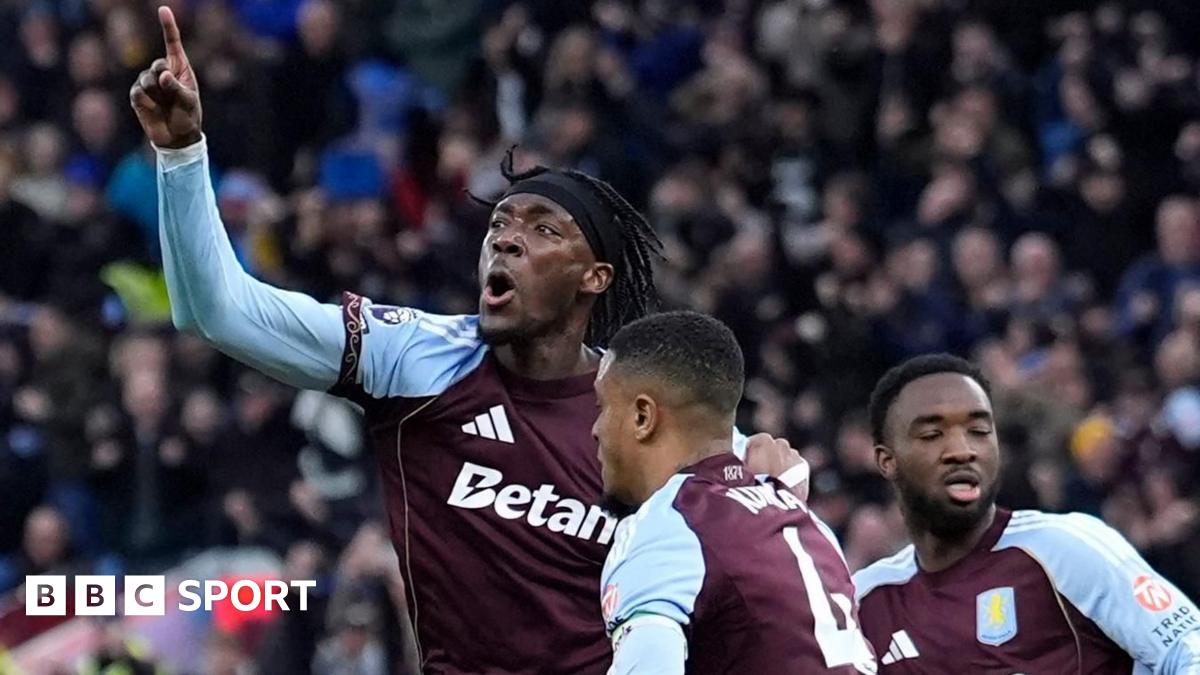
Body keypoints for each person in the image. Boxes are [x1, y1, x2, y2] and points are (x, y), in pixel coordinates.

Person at [128, 8, 801, 673]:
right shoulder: (420, 357)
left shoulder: (648, 413)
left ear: (593, 276)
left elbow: (772, 513)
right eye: (501, 225)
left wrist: (779, 476)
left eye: (543, 230)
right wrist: (182, 154)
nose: (506, 237)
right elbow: (219, 312)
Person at [853, 353, 1200, 672]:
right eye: (932, 434)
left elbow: (1188, 651)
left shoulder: (1063, 548)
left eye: (979, 431)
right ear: (887, 460)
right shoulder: (863, 602)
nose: (962, 450)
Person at [594, 311, 874, 674]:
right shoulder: (807, 522)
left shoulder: (668, 528)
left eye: (602, 407)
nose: (596, 429)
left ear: (643, 417)